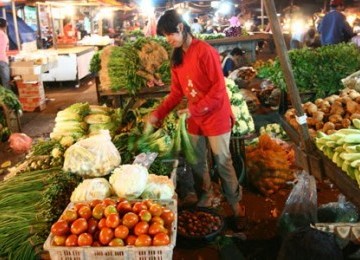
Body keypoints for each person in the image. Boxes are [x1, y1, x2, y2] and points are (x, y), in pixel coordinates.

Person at [146, 9, 245, 231]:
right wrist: (158, 113)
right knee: (197, 161)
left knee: (222, 162)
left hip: (216, 114)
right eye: (164, 36)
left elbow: (219, 90)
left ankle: (236, 207)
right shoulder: (177, 58)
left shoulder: (205, 51)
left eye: (169, 34)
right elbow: (175, 93)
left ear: (181, 28)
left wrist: (195, 109)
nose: (168, 39)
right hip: (195, 118)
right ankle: (207, 196)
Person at [0, 18, 10, 89]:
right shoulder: (3, 35)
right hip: (2, 60)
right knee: (5, 82)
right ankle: (7, 99)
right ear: (5, 26)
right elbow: (4, 49)